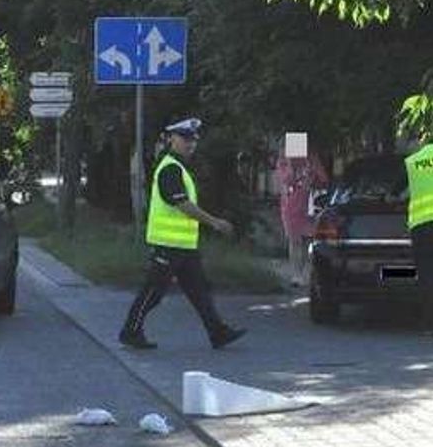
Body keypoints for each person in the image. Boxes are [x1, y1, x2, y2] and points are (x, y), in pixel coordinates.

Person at [118, 118, 247, 350]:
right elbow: (183, 205)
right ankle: (130, 331)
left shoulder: (179, 167)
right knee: (153, 293)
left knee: (199, 292)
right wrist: (214, 222)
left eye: (193, 140)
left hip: (183, 246)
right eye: (185, 139)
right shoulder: (169, 168)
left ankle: (217, 332)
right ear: (171, 139)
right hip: (168, 244)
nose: (191, 144)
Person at [276, 154, 329, 286]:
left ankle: (305, 273)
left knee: (307, 240)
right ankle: (296, 274)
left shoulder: (311, 159)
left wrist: (314, 168)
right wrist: (291, 165)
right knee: (294, 241)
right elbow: (286, 180)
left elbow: (323, 179)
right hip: (291, 206)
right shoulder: (284, 161)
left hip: (309, 205)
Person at [403, 143, 433, 335]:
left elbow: (402, 192)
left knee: (427, 276)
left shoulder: (412, 161)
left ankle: (429, 324)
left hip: (421, 227)